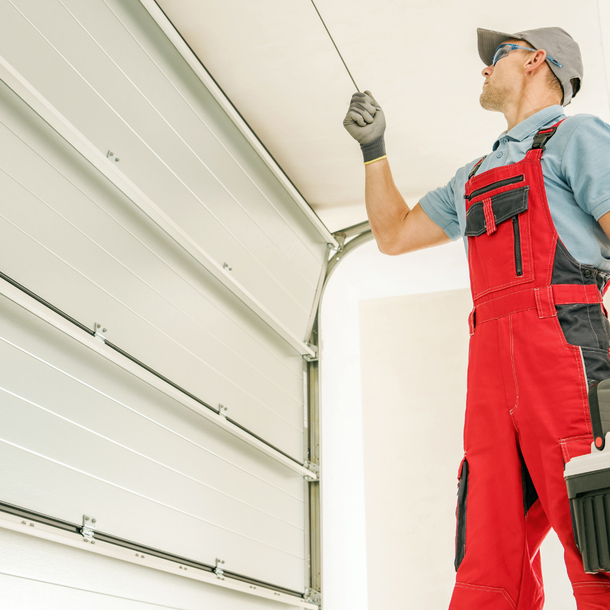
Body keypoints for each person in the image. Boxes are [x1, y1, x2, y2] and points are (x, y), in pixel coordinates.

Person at [344, 27, 610, 609]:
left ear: (537, 60)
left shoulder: (579, 137)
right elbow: (393, 235)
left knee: (601, 546)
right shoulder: (474, 175)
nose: (485, 68)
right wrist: (374, 149)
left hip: (566, 354)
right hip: (490, 377)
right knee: (487, 565)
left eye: (498, 56)